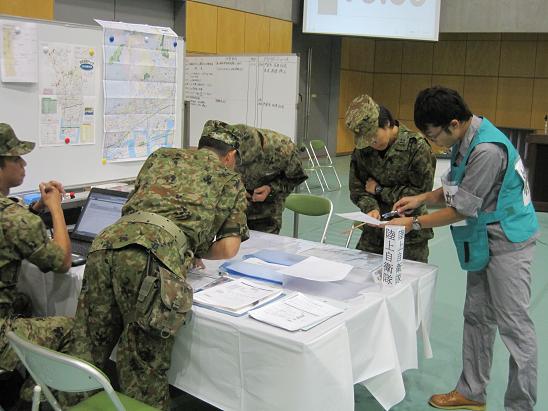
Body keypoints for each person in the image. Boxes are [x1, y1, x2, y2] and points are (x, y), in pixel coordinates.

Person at [64, 124, 249, 410]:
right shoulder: (230, 179)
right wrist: (187, 247)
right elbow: (228, 248)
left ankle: (70, 404)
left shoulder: (160, 156)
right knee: (143, 367)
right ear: (231, 156)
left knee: (87, 347)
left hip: (106, 244)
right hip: (152, 260)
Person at [390, 86, 538, 411]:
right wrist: (422, 199)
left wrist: (413, 223)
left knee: (515, 327)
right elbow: (456, 188)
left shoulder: (486, 149)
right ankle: (472, 391)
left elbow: (462, 209)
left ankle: (521, 406)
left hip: (510, 239)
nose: (433, 142)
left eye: (433, 135)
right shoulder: (464, 141)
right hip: (484, 237)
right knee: (476, 316)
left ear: (453, 123)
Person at [344, 94, 436, 262]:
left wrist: (380, 190)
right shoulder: (363, 150)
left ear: (387, 124)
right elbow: (358, 189)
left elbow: (420, 194)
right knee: (361, 279)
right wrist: (371, 208)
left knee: (408, 283)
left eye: (373, 137)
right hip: (373, 234)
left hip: (409, 235)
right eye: (366, 140)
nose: (371, 143)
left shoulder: (416, 147)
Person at [0, 123, 72, 319]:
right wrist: (55, 207)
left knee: (26, 300)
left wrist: (39, 206)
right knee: (74, 328)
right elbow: (63, 262)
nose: (24, 164)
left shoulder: (14, 216)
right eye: (16, 158)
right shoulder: (14, 218)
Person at [202, 120, 308, 234]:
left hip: (266, 213)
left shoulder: (283, 149)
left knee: (265, 248)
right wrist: (234, 188)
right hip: (232, 211)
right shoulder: (218, 146)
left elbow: (296, 177)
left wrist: (271, 188)